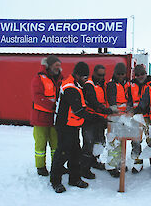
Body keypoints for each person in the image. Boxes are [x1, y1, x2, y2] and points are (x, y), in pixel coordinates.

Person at [50, 62, 102, 193]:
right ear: (77, 75)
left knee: (75, 153)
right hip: (64, 126)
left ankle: (74, 179)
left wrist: (101, 111)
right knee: (62, 153)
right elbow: (78, 110)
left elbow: (84, 105)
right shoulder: (70, 87)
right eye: (84, 77)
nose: (86, 80)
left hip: (73, 126)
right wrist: (97, 118)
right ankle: (55, 181)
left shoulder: (77, 85)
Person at [30, 55, 63, 176]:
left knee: (56, 144)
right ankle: (40, 167)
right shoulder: (38, 78)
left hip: (54, 118)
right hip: (40, 118)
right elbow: (37, 97)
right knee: (40, 144)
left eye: (59, 66)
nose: (58, 68)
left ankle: (56, 165)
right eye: (56, 66)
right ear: (49, 66)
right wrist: (53, 106)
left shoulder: (60, 79)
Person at [80, 64, 114, 179]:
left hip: (100, 119)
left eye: (103, 75)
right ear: (93, 73)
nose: (101, 77)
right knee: (88, 144)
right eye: (99, 75)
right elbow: (93, 102)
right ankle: (84, 169)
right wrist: (105, 110)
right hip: (90, 119)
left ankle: (94, 161)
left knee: (99, 142)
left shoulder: (103, 85)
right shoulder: (89, 85)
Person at [127, 64, 151, 173]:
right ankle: (138, 163)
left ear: (146, 73)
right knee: (135, 141)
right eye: (137, 75)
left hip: (149, 117)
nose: (140, 76)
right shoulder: (131, 85)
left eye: (142, 74)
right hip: (136, 117)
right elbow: (128, 100)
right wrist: (129, 110)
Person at [106, 62, 129, 177]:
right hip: (114, 119)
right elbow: (111, 100)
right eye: (118, 74)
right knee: (113, 143)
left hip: (123, 118)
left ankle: (119, 163)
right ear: (115, 73)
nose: (120, 76)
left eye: (122, 74)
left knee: (121, 142)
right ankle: (111, 166)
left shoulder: (125, 84)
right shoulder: (111, 85)